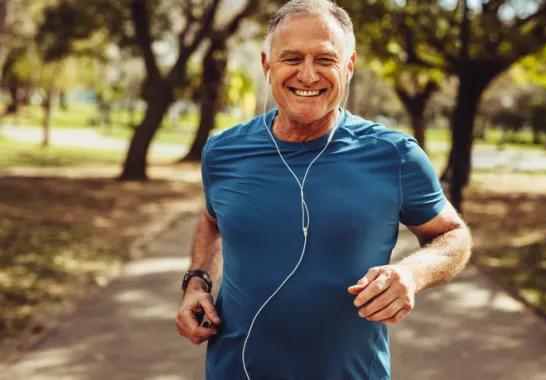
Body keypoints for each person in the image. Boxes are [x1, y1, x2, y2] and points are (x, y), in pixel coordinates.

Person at [175, 1, 472, 379]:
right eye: (292, 58)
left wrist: (412, 274)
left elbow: (454, 235)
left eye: (326, 59)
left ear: (348, 67)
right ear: (267, 66)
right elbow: (212, 218)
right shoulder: (222, 152)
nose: (309, 75)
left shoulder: (396, 155)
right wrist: (196, 282)